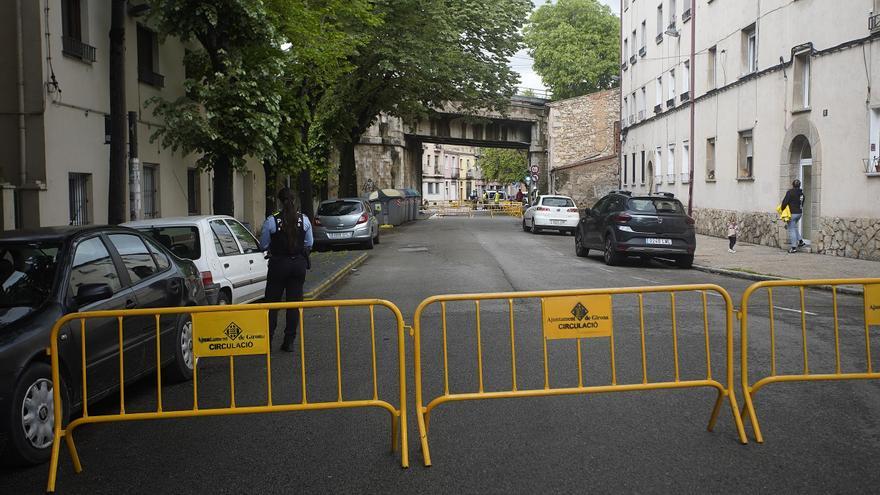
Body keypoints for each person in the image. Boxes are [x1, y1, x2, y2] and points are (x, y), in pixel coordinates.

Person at [259, 188, 313, 351]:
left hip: (278, 265)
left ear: (279, 202)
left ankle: (267, 339)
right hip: (298, 265)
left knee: (272, 304)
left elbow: (263, 244)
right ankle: (289, 341)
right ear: (294, 201)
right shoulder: (304, 220)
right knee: (294, 304)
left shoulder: (272, 221)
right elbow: (309, 243)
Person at [780, 179, 806, 254]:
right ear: (799, 185)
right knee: (793, 227)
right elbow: (802, 203)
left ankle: (793, 247)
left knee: (791, 229)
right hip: (799, 213)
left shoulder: (790, 192)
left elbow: (785, 202)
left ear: (793, 185)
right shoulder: (802, 194)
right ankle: (800, 241)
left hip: (792, 213)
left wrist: (782, 209)